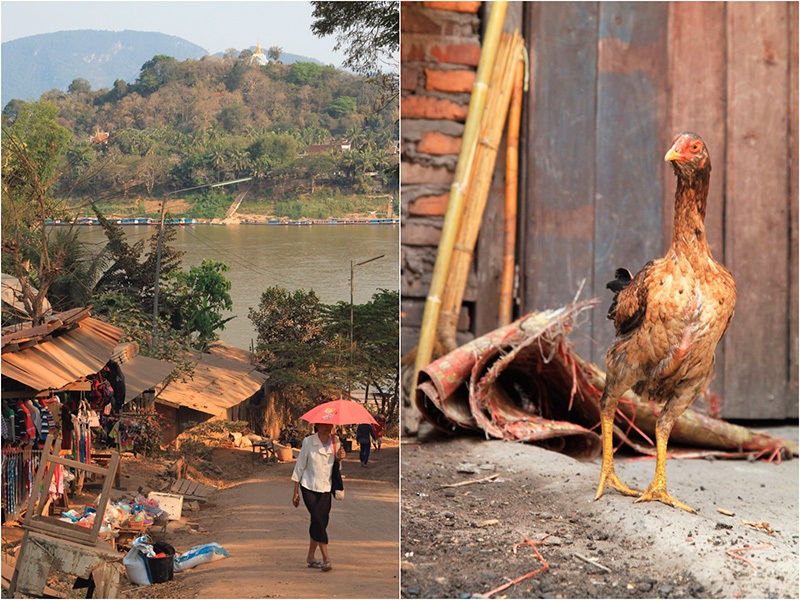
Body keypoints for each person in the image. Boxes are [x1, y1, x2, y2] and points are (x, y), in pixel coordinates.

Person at [291, 422, 345, 572]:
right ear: (317, 426)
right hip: (308, 487)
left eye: (330, 425)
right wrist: (295, 492)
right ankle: (326, 558)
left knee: (320, 522)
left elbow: (335, 467)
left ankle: (310, 557)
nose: (328, 428)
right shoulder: (309, 441)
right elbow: (300, 466)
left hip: (326, 488)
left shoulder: (336, 441)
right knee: (318, 521)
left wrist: (340, 458)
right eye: (324, 425)